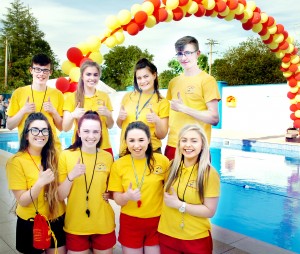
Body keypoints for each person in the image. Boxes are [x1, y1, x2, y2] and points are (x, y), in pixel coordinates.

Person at [6, 112, 66, 254]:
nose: (40, 134)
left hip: (56, 218)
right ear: (26, 135)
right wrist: (40, 183)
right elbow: (23, 200)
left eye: (44, 130)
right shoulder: (16, 162)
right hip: (31, 222)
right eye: (35, 130)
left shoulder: (56, 156)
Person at [58, 111, 116, 253]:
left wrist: (112, 194)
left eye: (96, 131)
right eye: (86, 131)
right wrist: (71, 176)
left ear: (101, 133)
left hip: (103, 223)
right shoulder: (66, 155)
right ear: (78, 132)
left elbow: (114, 189)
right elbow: (60, 196)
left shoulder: (107, 157)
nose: (91, 136)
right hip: (76, 224)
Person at [108, 121, 169, 254]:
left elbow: (170, 188)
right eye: (132, 140)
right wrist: (127, 196)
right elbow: (118, 199)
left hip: (156, 221)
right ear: (126, 142)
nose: (137, 145)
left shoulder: (162, 161)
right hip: (131, 222)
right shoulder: (118, 165)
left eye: (141, 140)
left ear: (148, 140)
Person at [158, 124, 220, 254]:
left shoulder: (209, 174)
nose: (188, 145)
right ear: (179, 143)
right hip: (167, 235)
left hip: (196, 239)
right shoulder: (170, 167)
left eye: (194, 141)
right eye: (184, 140)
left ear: (202, 144)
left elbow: (209, 211)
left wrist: (180, 205)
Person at [165, 36, 221, 160]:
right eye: (180, 54)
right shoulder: (173, 82)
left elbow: (214, 118)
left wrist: (184, 108)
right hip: (173, 145)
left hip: (197, 147)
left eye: (188, 53)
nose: (183, 58)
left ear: (198, 54)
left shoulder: (207, 80)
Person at [6, 54, 64, 151]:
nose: (41, 74)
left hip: (52, 150)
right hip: (27, 150)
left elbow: (62, 128)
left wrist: (54, 112)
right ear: (31, 70)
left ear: (50, 72)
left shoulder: (58, 94)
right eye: (37, 69)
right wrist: (23, 111)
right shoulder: (19, 93)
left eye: (45, 70)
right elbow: (9, 126)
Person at [117, 58, 169, 156]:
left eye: (146, 76)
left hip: (151, 152)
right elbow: (120, 125)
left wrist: (157, 120)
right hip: (127, 151)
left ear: (154, 75)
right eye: (139, 78)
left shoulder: (162, 102)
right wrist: (120, 118)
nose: (143, 81)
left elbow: (162, 135)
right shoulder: (128, 97)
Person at [63, 60, 114, 156]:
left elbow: (110, 125)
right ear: (82, 76)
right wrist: (73, 115)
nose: (92, 78)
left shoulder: (104, 96)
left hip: (104, 146)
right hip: (80, 147)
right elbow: (65, 128)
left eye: (95, 75)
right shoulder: (72, 97)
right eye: (88, 74)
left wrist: (108, 115)